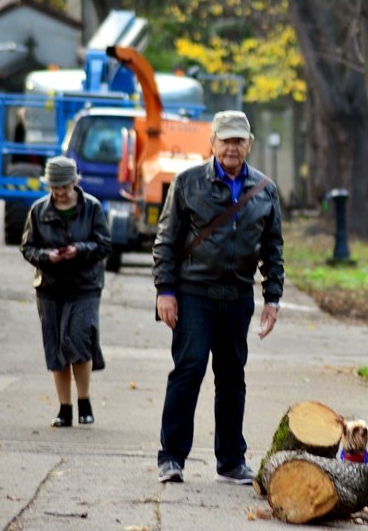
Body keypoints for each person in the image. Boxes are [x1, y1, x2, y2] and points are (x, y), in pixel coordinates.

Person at [153, 110, 284, 484]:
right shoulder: (187, 183)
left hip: (238, 296)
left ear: (249, 145)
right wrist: (165, 290)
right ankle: (171, 457)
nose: (231, 147)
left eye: (238, 140)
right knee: (189, 369)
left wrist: (272, 298)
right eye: (225, 140)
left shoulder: (265, 189)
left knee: (232, 377)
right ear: (211, 143)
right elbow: (165, 241)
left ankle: (230, 461)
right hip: (195, 293)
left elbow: (273, 248)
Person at [20, 156, 111, 427]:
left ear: (75, 183)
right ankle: (65, 408)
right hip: (50, 287)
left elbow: (104, 244)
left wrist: (79, 250)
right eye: (54, 187)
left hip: (85, 285)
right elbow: (27, 247)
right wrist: (48, 256)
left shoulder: (92, 208)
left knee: (79, 340)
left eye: (64, 187)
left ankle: (84, 400)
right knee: (56, 348)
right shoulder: (38, 211)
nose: (59, 192)